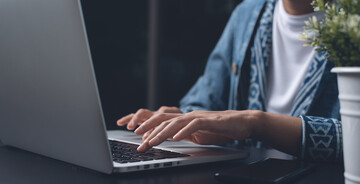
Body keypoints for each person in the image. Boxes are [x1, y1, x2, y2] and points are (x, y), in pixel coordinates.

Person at [117, 0, 342, 162]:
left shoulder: (352, 23)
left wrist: (257, 124)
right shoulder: (247, 14)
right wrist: (184, 118)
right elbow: (207, 102)